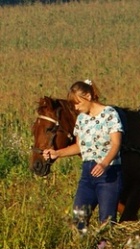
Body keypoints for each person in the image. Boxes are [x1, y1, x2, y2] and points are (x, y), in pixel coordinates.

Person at [43, 79, 123, 238]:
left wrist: (104, 163)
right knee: (79, 219)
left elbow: (116, 143)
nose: (75, 107)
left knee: (106, 222)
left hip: (108, 175)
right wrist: (57, 153)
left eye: (77, 103)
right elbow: (80, 146)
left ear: (88, 96)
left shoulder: (110, 114)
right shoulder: (81, 119)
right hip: (87, 175)